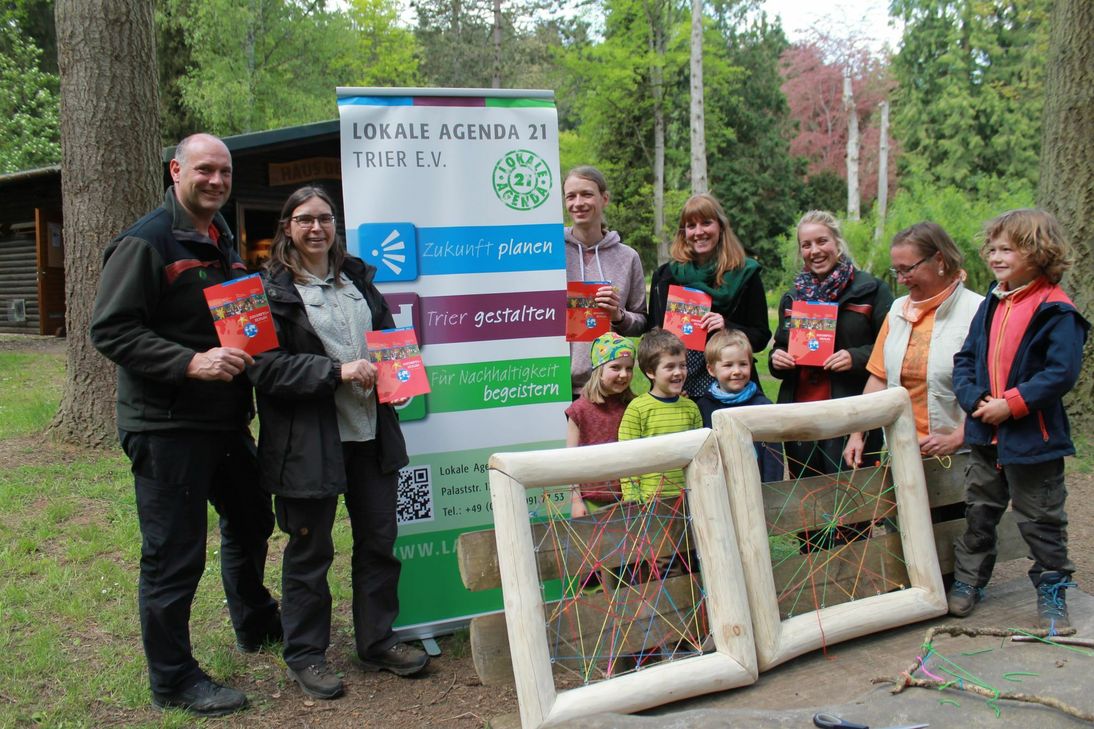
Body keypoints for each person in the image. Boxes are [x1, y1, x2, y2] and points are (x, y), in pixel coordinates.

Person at [89, 133, 280, 717]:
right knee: (173, 554)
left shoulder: (221, 237)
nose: (217, 181)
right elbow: (111, 330)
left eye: (224, 172)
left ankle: (254, 621)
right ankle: (172, 677)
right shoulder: (145, 242)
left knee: (252, 517)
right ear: (176, 170)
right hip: (166, 425)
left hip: (222, 420)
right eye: (204, 170)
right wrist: (190, 362)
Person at [248, 186, 429, 700]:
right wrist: (335, 371)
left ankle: (377, 641)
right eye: (304, 220)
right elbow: (262, 366)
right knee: (310, 551)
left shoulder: (359, 280)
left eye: (324, 219)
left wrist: (400, 370)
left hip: (371, 436)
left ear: (335, 226)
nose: (315, 229)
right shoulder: (271, 291)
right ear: (288, 227)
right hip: (307, 444)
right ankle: (307, 654)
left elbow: (389, 341)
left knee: (379, 543)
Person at [947, 209, 1089, 632]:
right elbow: (966, 359)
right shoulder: (992, 300)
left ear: (1039, 252)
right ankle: (969, 581)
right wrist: (974, 400)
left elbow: (1060, 373)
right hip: (985, 436)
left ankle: (1052, 591)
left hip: (1034, 440)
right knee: (979, 511)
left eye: (1007, 248)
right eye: (992, 248)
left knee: (1041, 519)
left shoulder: (1057, 310)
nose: (995, 256)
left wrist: (1012, 404)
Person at [843, 222, 983, 466]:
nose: (901, 279)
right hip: (902, 450)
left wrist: (958, 437)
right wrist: (858, 433)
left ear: (939, 260)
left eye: (907, 269)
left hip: (962, 457)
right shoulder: (897, 309)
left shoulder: (978, 311)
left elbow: (991, 388)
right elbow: (879, 377)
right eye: (896, 270)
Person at [769, 210, 894, 477]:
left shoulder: (873, 290)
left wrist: (855, 357)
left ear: (837, 243)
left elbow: (893, 348)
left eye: (822, 241)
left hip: (851, 413)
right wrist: (778, 359)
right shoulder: (792, 298)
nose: (815, 250)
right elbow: (780, 348)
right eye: (806, 245)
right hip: (802, 417)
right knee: (808, 501)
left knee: (853, 502)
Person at [647, 193, 770, 398]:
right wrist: (667, 385)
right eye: (691, 225)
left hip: (730, 388)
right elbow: (653, 336)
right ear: (683, 232)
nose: (699, 232)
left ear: (721, 227)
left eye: (706, 223)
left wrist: (727, 327)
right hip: (679, 386)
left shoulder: (745, 274)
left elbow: (761, 337)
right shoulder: (666, 276)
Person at [564, 166, 647, 395]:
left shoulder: (628, 257)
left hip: (609, 388)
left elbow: (641, 322)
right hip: (553, 387)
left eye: (587, 194)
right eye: (571, 196)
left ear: (604, 198)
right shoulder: (549, 254)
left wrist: (618, 316)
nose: (578, 203)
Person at [618, 329, 703, 502]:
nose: (679, 372)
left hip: (689, 500)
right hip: (650, 503)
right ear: (650, 372)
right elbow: (627, 457)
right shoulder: (637, 409)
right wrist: (633, 500)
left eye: (683, 365)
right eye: (670, 367)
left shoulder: (691, 408)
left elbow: (700, 456)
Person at [696, 329, 783, 482]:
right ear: (711, 369)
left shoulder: (763, 406)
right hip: (719, 488)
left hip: (757, 486)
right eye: (728, 365)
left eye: (743, 364)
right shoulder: (703, 407)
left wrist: (772, 488)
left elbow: (774, 456)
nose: (736, 371)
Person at [566, 332, 638, 518]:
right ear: (598, 369)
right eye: (615, 367)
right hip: (591, 501)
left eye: (629, 368)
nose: (624, 374)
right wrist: (576, 501)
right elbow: (569, 461)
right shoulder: (579, 410)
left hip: (630, 498)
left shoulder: (634, 406)